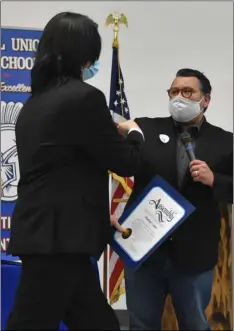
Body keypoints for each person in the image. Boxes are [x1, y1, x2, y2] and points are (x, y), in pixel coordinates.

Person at [6, 12, 144, 330]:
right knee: (31, 322)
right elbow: (125, 161)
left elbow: (62, 172)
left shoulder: (34, 104)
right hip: (60, 240)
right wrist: (135, 132)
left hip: (48, 234)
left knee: (96, 322)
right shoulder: (84, 98)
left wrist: (95, 214)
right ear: (84, 55)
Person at [118, 69, 233, 330]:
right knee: (141, 324)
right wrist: (126, 133)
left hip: (194, 255)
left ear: (206, 100)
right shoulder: (145, 128)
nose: (179, 97)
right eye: (174, 91)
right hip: (145, 252)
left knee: (194, 323)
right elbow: (122, 164)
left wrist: (214, 179)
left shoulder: (225, 142)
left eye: (188, 91)